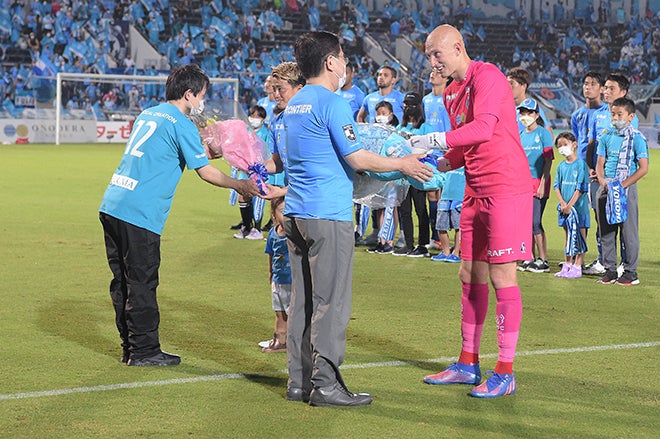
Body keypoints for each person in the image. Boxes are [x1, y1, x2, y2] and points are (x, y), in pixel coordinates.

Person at [273, 30, 432, 407]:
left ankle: (300, 383)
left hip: (295, 212)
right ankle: (326, 385)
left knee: (303, 302)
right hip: (326, 214)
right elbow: (358, 159)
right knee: (330, 302)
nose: (345, 63)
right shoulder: (333, 102)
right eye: (342, 56)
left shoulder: (294, 105)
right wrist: (402, 164)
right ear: (331, 62)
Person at [99, 64, 260, 367]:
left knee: (121, 281)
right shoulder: (181, 123)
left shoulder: (149, 113)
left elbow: (173, 149)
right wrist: (240, 184)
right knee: (142, 282)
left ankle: (130, 348)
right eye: (201, 96)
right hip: (139, 211)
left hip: (113, 203)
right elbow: (207, 172)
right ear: (189, 94)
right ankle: (145, 351)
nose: (202, 102)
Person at [410, 24, 532, 398]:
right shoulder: (451, 93)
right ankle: (467, 363)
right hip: (475, 190)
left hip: (506, 188)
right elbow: (464, 149)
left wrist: (434, 138)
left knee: (502, 277)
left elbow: (483, 129)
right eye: (428, 56)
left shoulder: (489, 77)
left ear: (457, 47)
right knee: (468, 272)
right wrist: (437, 164)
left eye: (436, 54)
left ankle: (506, 372)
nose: (432, 62)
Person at [594, 98, 649, 286]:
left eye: (619, 114)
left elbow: (643, 168)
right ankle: (610, 270)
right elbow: (600, 162)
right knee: (606, 231)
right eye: (613, 114)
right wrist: (602, 181)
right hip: (606, 187)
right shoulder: (606, 136)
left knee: (628, 232)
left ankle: (630, 272)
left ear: (630, 117)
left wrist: (623, 185)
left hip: (626, 188)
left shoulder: (637, 138)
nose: (615, 117)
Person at [570, 71, 608, 276]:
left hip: (597, 173)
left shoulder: (607, 112)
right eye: (585, 83)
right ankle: (575, 257)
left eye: (593, 84)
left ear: (601, 89)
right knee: (578, 215)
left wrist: (597, 169)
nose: (588, 87)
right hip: (581, 171)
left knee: (599, 216)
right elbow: (577, 144)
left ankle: (604, 258)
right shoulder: (577, 115)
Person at [516, 98, 554, 273]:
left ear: (536, 115)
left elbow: (548, 160)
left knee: (535, 221)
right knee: (524, 223)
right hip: (522, 183)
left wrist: (543, 183)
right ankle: (528, 256)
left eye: (529, 113)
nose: (525, 116)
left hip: (538, 181)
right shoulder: (520, 135)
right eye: (522, 113)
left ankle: (543, 259)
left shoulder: (543, 133)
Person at [394, 91, 435, 258]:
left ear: (418, 107)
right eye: (406, 104)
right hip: (402, 174)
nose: (408, 108)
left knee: (420, 209)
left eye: (411, 105)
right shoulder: (400, 128)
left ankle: (423, 244)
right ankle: (409, 243)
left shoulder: (425, 127)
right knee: (404, 209)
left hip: (418, 172)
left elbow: (431, 149)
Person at [553, 132, 590, 278]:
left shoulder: (581, 164)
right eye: (559, 146)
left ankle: (577, 265)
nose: (562, 148)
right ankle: (567, 264)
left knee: (580, 236)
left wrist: (570, 205)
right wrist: (563, 203)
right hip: (564, 209)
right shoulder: (561, 166)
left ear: (574, 144)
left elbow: (580, 187)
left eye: (565, 144)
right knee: (568, 236)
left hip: (578, 209)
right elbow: (557, 186)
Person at [423, 69, 452, 249]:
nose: (432, 74)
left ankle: (444, 238)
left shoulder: (448, 98)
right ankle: (435, 237)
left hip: (445, 152)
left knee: (444, 197)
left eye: (437, 72)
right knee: (431, 194)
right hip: (429, 153)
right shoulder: (425, 99)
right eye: (431, 72)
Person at [259, 196, 291, 353]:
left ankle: (296, 342)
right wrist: (270, 273)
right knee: (279, 313)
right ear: (273, 215)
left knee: (293, 314)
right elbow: (270, 254)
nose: (287, 216)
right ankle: (280, 340)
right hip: (278, 281)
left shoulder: (295, 235)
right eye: (283, 212)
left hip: (293, 282)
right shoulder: (273, 233)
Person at [430, 166, 465, 263]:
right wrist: (439, 197)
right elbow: (442, 180)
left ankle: (456, 253)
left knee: (459, 227)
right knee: (440, 226)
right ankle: (445, 251)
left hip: (459, 197)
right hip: (445, 197)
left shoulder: (468, 162)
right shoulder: (449, 163)